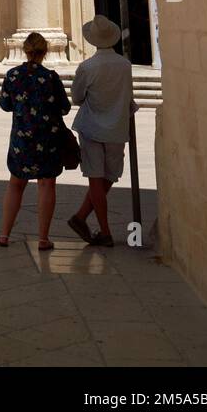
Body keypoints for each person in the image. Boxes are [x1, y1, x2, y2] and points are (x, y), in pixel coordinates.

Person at [0, 32, 71, 251]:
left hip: (21, 138)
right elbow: (64, 108)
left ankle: (4, 235)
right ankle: (43, 239)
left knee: (16, 183)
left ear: (25, 50)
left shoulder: (12, 75)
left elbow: (5, 105)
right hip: (48, 138)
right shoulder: (50, 77)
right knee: (46, 184)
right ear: (44, 52)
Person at [67, 15, 137, 247]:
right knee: (110, 177)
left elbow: (77, 97)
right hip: (117, 128)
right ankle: (92, 225)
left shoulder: (87, 67)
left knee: (96, 178)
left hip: (91, 127)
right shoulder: (125, 65)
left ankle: (89, 223)